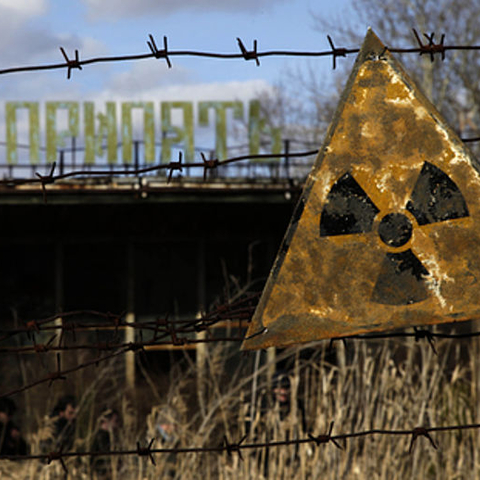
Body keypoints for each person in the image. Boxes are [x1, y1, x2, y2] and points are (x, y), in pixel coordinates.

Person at [90, 408, 120, 478]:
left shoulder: (101, 435)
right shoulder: (101, 436)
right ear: (107, 421)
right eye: (115, 421)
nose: (116, 424)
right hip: (102, 472)